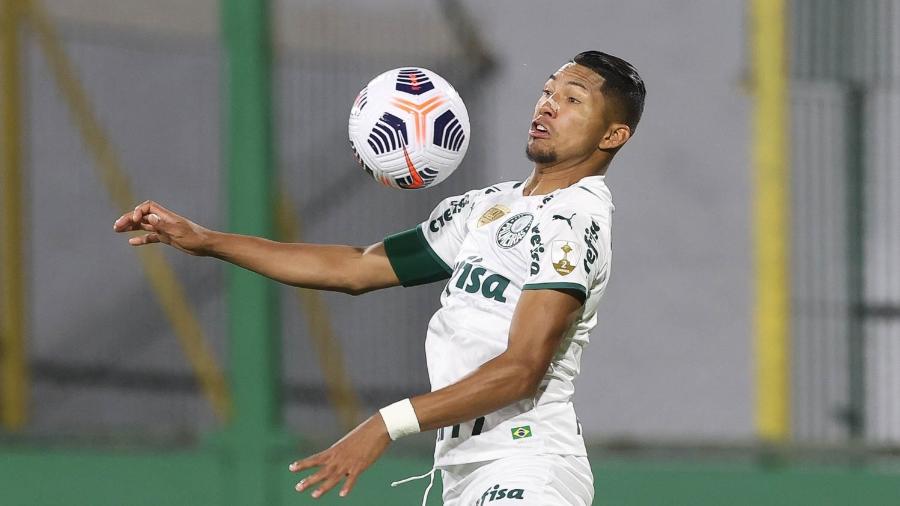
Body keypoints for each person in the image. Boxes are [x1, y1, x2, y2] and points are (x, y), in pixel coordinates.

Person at [113, 50, 645, 505]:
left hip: (528, 466)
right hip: (469, 471)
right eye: (547, 91)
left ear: (613, 134)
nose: (548, 105)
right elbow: (356, 267)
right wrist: (206, 240)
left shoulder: (574, 222)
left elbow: (522, 369)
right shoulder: (488, 207)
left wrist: (385, 424)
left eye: (573, 99)